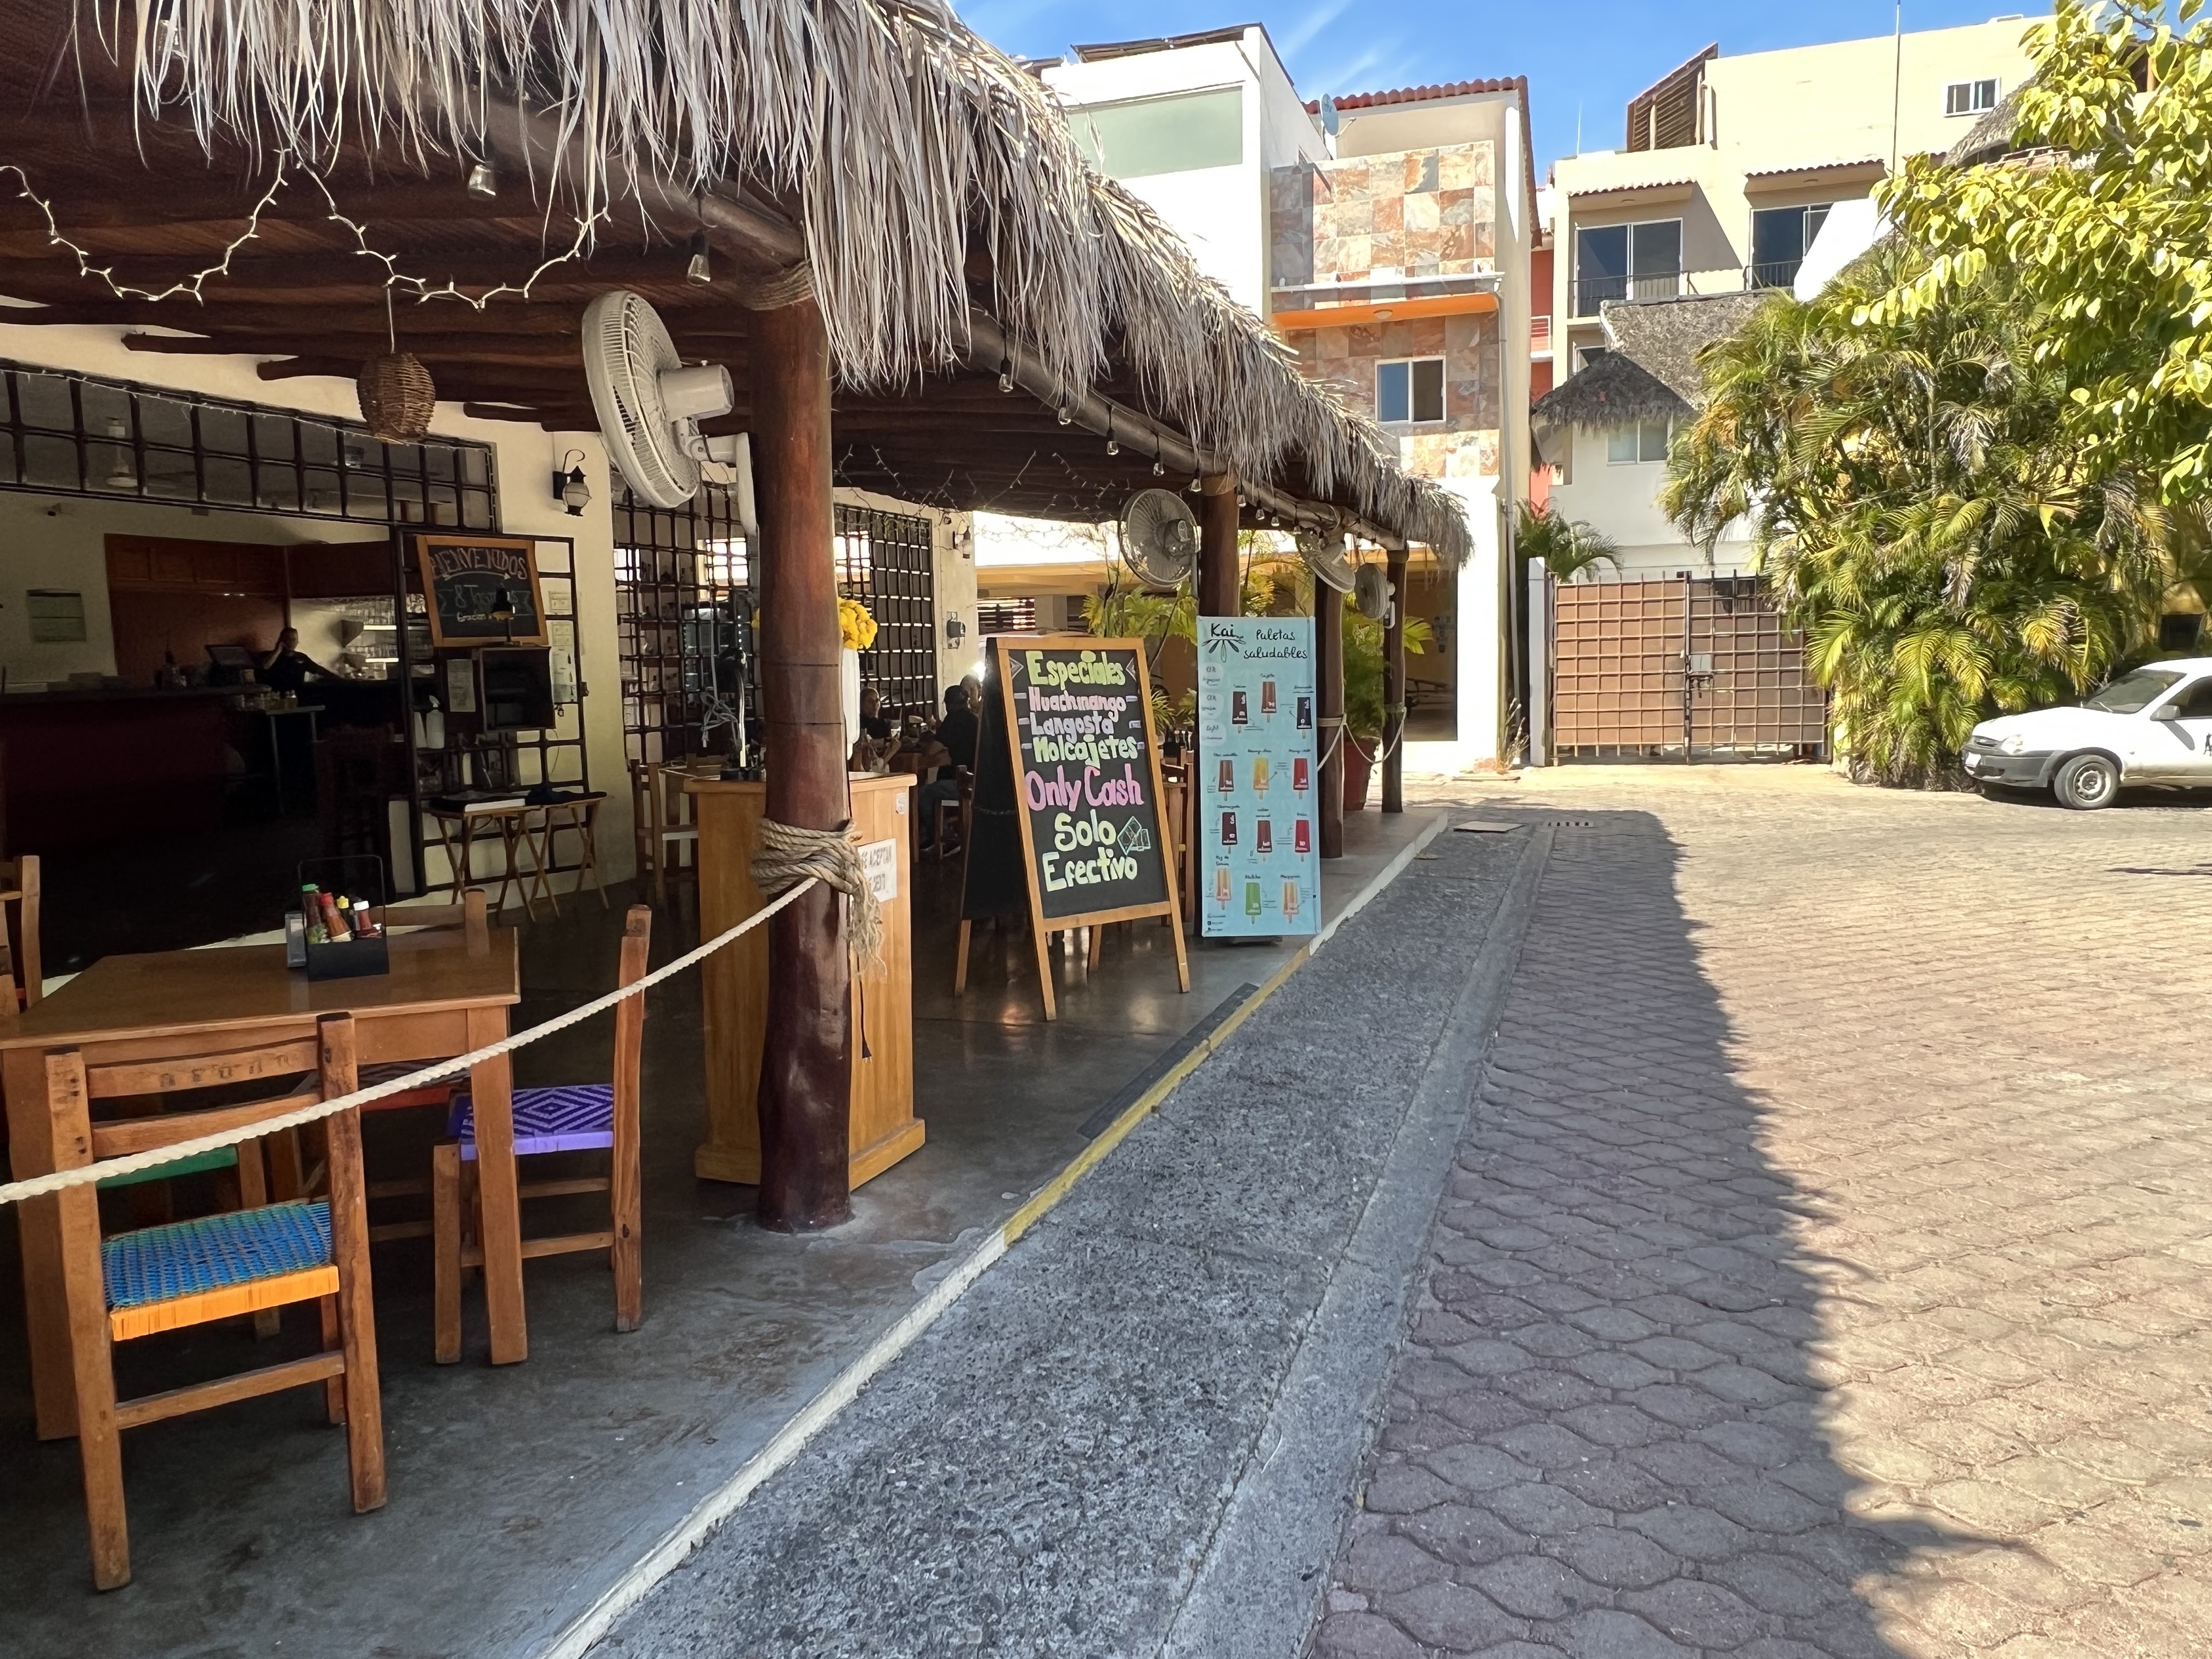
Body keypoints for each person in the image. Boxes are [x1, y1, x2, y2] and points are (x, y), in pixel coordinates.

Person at [919, 683, 980, 850]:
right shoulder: (974, 719)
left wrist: (926, 741)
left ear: (948, 704)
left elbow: (933, 750)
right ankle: (948, 831)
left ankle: (941, 837)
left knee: (925, 793)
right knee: (940, 781)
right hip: (977, 781)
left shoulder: (953, 719)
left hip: (964, 785)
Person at [256, 627, 332, 694]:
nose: (291, 642)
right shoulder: (270, 656)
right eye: (288, 639)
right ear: (281, 640)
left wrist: (337, 679)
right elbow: (265, 666)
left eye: (293, 640)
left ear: (297, 642)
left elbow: (320, 670)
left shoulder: (301, 657)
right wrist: (278, 649)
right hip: (275, 697)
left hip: (296, 697)